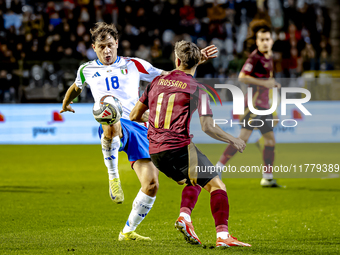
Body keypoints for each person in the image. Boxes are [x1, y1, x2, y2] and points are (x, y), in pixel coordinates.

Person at [60, 22, 217, 241]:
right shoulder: (86, 69)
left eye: (110, 45)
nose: (107, 51)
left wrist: (195, 60)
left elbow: (172, 75)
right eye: (101, 47)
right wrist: (66, 102)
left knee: (151, 185)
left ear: (117, 44)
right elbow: (77, 86)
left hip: (140, 127)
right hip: (114, 123)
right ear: (94, 47)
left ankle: (127, 231)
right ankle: (113, 176)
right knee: (109, 114)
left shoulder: (134, 65)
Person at [130, 40, 251, 247]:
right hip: (178, 147)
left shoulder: (156, 82)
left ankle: (185, 217)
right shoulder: (198, 89)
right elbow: (208, 127)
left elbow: (134, 115)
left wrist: (153, 119)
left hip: (156, 152)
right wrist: (234, 139)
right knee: (217, 185)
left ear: (177, 60)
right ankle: (223, 236)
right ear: (198, 62)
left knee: (193, 180)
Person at [215, 22, 281, 187]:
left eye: (268, 39)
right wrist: (265, 84)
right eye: (262, 39)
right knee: (242, 140)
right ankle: (217, 169)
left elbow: (267, 81)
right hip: (253, 105)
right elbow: (242, 77)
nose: (265, 42)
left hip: (264, 106)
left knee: (270, 141)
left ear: (271, 41)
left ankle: (267, 177)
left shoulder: (268, 57)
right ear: (257, 42)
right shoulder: (255, 57)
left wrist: (272, 88)